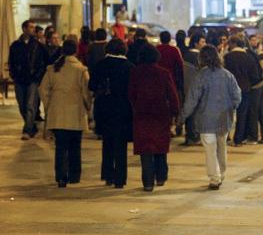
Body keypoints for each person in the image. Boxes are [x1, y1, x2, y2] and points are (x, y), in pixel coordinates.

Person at [180, 46, 242, 189]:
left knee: (210, 149)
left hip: (205, 119)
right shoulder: (227, 75)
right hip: (224, 119)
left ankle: (215, 178)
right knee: (222, 147)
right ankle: (222, 173)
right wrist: (231, 108)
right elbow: (237, 96)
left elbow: (192, 99)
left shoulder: (200, 75)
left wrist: (183, 116)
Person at [39, 40, 90, 188]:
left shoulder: (53, 68)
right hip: (76, 112)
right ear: (76, 51)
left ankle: (61, 177)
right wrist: (88, 107)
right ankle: (74, 176)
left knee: (60, 147)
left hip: (58, 113)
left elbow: (42, 89)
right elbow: (86, 92)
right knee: (75, 146)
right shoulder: (81, 69)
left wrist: (49, 104)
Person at [128, 45, 180, 192]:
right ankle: (161, 176)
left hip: (142, 113)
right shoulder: (164, 73)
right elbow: (172, 93)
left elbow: (131, 93)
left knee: (145, 147)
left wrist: (135, 106)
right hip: (161, 113)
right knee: (160, 146)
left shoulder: (135, 72)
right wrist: (175, 112)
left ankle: (147, 182)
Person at [89, 38, 134, 189]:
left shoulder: (100, 65)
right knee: (121, 145)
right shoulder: (129, 67)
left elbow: (92, 86)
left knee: (107, 142)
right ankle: (120, 178)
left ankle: (108, 174)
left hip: (104, 108)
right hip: (123, 109)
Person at [9, 19, 49, 140]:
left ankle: (27, 130)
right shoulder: (15, 45)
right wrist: (14, 74)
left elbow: (44, 61)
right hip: (19, 79)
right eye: (31, 27)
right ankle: (31, 126)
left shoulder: (38, 45)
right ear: (24, 29)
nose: (33, 30)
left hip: (33, 79)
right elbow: (11, 61)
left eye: (33, 27)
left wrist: (38, 76)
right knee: (22, 105)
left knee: (31, 105)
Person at [224, 36, 261, 146]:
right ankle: (238, 139)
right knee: (242, 114)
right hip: (245, 89)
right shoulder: (249, 58)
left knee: (227, 114)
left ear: (234, 44)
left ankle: (225, 137)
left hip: (229, 89)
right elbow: (255, 76)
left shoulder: (227, 57)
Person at [156, 31, 185, 100]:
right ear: (169, 39)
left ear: (160, 39)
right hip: (172, 78)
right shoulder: (174, 50)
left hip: (158, 77)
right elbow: (180, 65)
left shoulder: (156, 49)